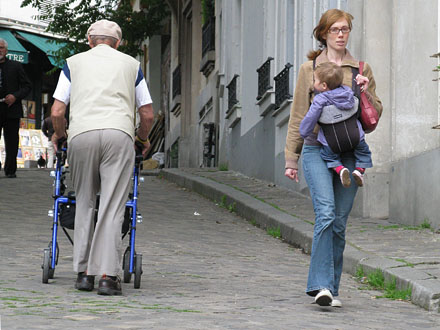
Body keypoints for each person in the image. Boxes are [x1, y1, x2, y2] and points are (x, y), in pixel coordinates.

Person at [284, 9, 382, 307]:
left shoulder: (361, 69)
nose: (342, 35)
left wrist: (365, 92)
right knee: (325, 213)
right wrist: (291, 158)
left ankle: (333, 289)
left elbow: (375, 116)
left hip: (349, 151)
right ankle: (321, 286)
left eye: (346, 29)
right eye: (336, 29)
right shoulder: (308, 69)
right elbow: (298, 115)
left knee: (339, 222)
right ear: (324, 33)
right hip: (316, 149)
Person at [51, 19, 154, 295]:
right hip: (118, 135)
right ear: (117, 43)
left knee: (84, 202)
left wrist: (61, 135)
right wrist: (141, 139)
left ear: (89, 41)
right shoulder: (131, 65)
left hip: (81, 135)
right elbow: (147, 114)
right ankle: (108, 277)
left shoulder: (73, 63)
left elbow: (57, 111)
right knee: (111, 206)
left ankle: (84, 274)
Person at [299, 62, 373, 188]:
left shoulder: (319, 100)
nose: (313, 83)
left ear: (323, 85)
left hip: (331, 141)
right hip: (355, 137)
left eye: (315, 80)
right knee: (364, 153)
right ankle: (359, 170)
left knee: (327, 156)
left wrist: (304, 132)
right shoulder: (348, 92)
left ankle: (340, 169)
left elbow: (310, 118)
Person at [0, 38, 31, 178]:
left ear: (6, 50)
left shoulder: (16, 66)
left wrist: (15, 96)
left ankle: (10, 169)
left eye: (1, 48)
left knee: (12, 140)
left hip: (12, 109)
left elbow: (27, 86)